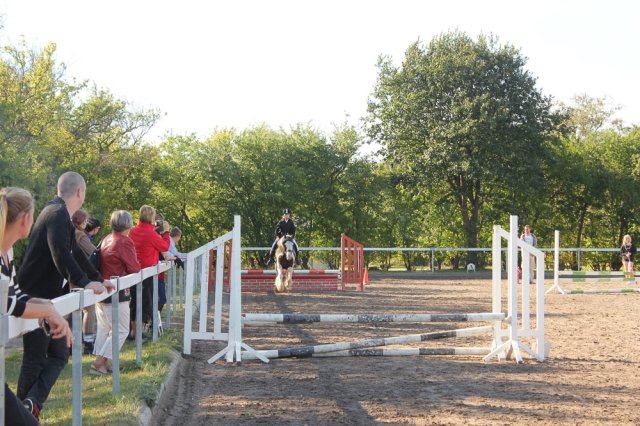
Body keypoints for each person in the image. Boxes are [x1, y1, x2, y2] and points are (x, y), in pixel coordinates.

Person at [16, 172, 114, 418]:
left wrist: (98, 278)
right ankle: (22, 416)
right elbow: (60, 254)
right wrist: (85, 282)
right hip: (35, 297)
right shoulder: (56, 214)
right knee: (35, 359)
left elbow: (75, 253)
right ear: (80, 192)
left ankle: (29, 405)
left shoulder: (61, 215)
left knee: (60, 355)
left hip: (51, 300)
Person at [1, 187, 74, 424]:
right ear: (25, 219)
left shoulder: (7, 253)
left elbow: (17, 294)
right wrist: (50, 311)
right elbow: (9, 304)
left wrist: (47, 307)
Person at [91, 210, 141, 375]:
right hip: (117, 292)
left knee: (104, 329)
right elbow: (134, 268)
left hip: (102, 289)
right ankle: (99, 363)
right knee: (121, 330)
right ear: (128, 224)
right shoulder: (124, 241)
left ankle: (103, 364)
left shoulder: (106, 238)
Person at [129, 205, 170, 336]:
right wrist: (166, 232)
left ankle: (134, 333)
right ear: (152, 217)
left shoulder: (133, 231)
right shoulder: (151, 233)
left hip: (134, 271)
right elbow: (164, 246)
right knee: (145, 303)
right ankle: (139, 336)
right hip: (147, 273)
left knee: (134, 303)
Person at [71, 209, 98, 354]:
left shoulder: (69, 233)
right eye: (85, 220)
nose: (87, 223)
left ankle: (70, 343)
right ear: (81, 221)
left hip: (70, 275)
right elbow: (93, 252)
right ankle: (88, 342)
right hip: (80, 276)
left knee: (72, 309)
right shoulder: (80, 235)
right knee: (89, 309)